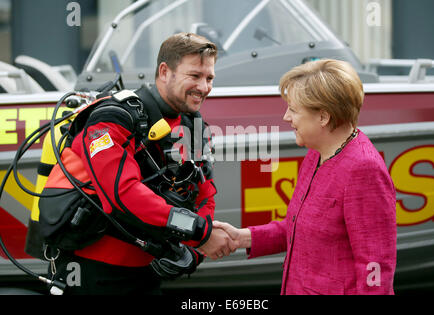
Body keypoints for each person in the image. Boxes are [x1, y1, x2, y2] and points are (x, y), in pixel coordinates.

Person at [46, 32, 235, 295]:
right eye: (194, 76)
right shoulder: (114, 118)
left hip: (147, 271)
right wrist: (201, 232)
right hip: (93, 272)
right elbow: (121, 194)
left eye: (209, 78)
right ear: (164, 71)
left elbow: (205, 193)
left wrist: (193, 250)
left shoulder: (194, 125)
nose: (204, 87)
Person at [213, 59, 397, 295]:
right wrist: (242, 238)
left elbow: (376, 267)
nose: (286, 117)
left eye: (293, 109)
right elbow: (300, 227)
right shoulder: (316, 152)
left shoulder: (364, 169)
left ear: (323, 117)